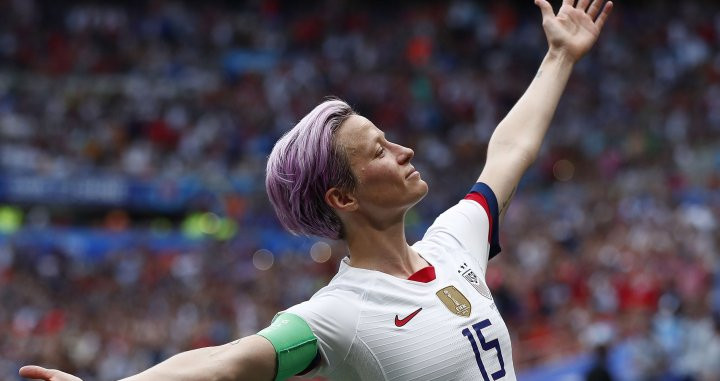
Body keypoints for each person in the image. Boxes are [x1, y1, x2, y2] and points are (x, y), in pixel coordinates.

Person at [19, 0, 613, 380]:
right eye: (379, 150)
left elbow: (508, 152)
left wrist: (559, 57)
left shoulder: (455, 242)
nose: (404, 151)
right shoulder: (340, 313)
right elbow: (225, 364)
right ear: (343, 197)